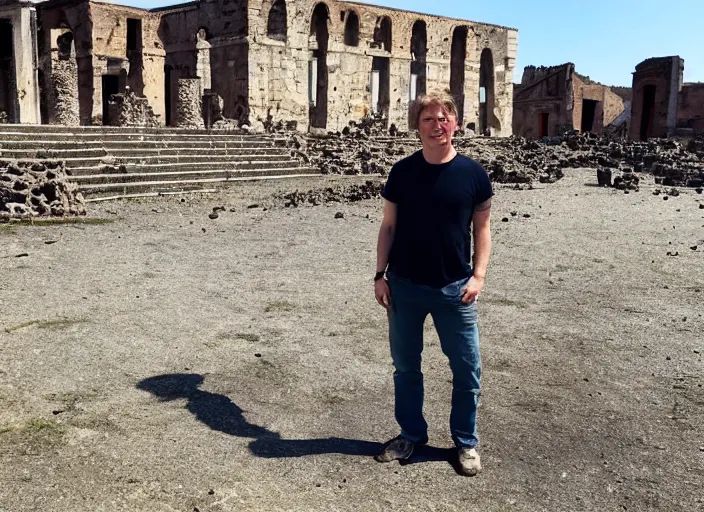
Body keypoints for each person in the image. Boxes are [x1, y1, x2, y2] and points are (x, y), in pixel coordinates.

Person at [373, 90, 493, 476]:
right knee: (406, 366)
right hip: (404, 285)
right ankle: (411, 434)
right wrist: (379, 275)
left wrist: (478, 275)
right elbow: (388, 226)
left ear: (455, 123)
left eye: (444, 118)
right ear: (417, 126)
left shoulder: (473, 174)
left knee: (467, 368)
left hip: (454, 289)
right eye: (428, 119)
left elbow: (483, 228)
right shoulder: (402, 172)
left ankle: (466, 442)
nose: (436, 125)